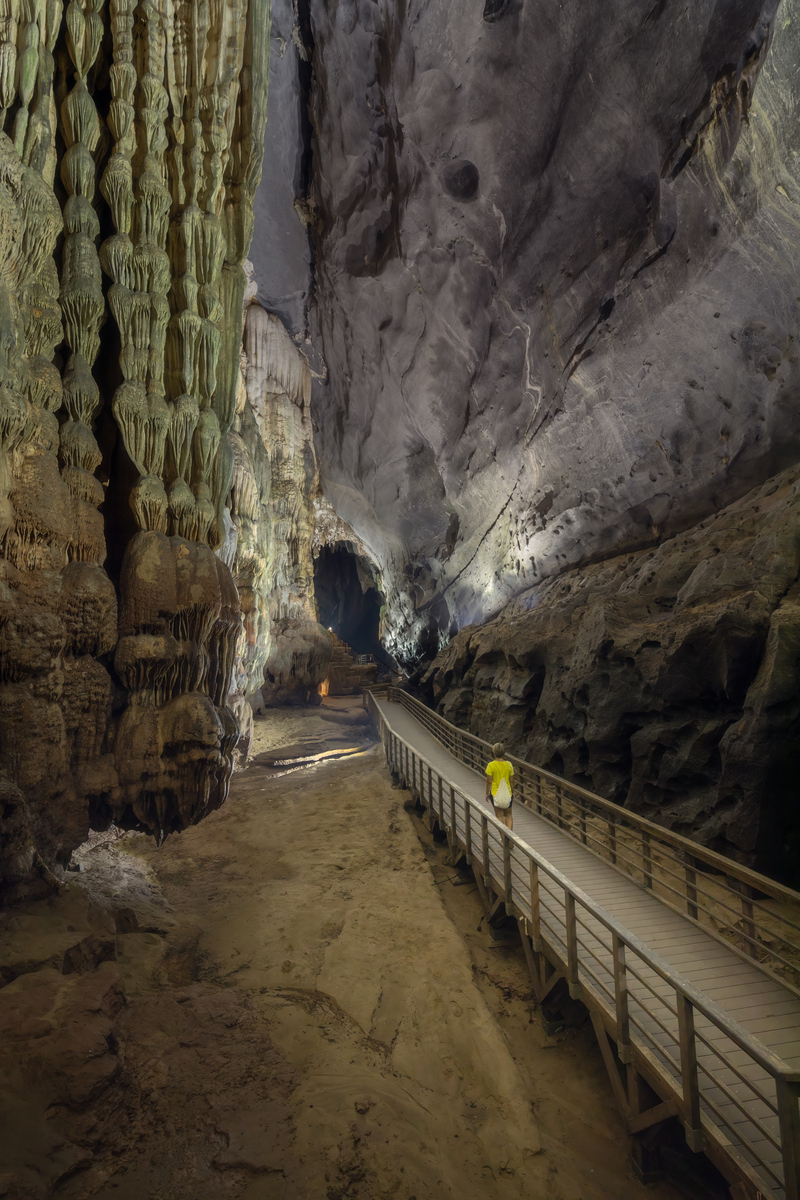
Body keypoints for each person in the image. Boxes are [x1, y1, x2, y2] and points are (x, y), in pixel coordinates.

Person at [485, 742, 514, 829]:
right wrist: (512, 792)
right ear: (504, 752)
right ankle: (510, 838)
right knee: (508, 815)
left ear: (494, 753)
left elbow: (489, 782)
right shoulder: (509, 764)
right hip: (508, 793)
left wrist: (487, 793)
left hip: (495, 793)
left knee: (499, 816)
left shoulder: (491, 765)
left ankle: (503, 838)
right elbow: (512, 780)